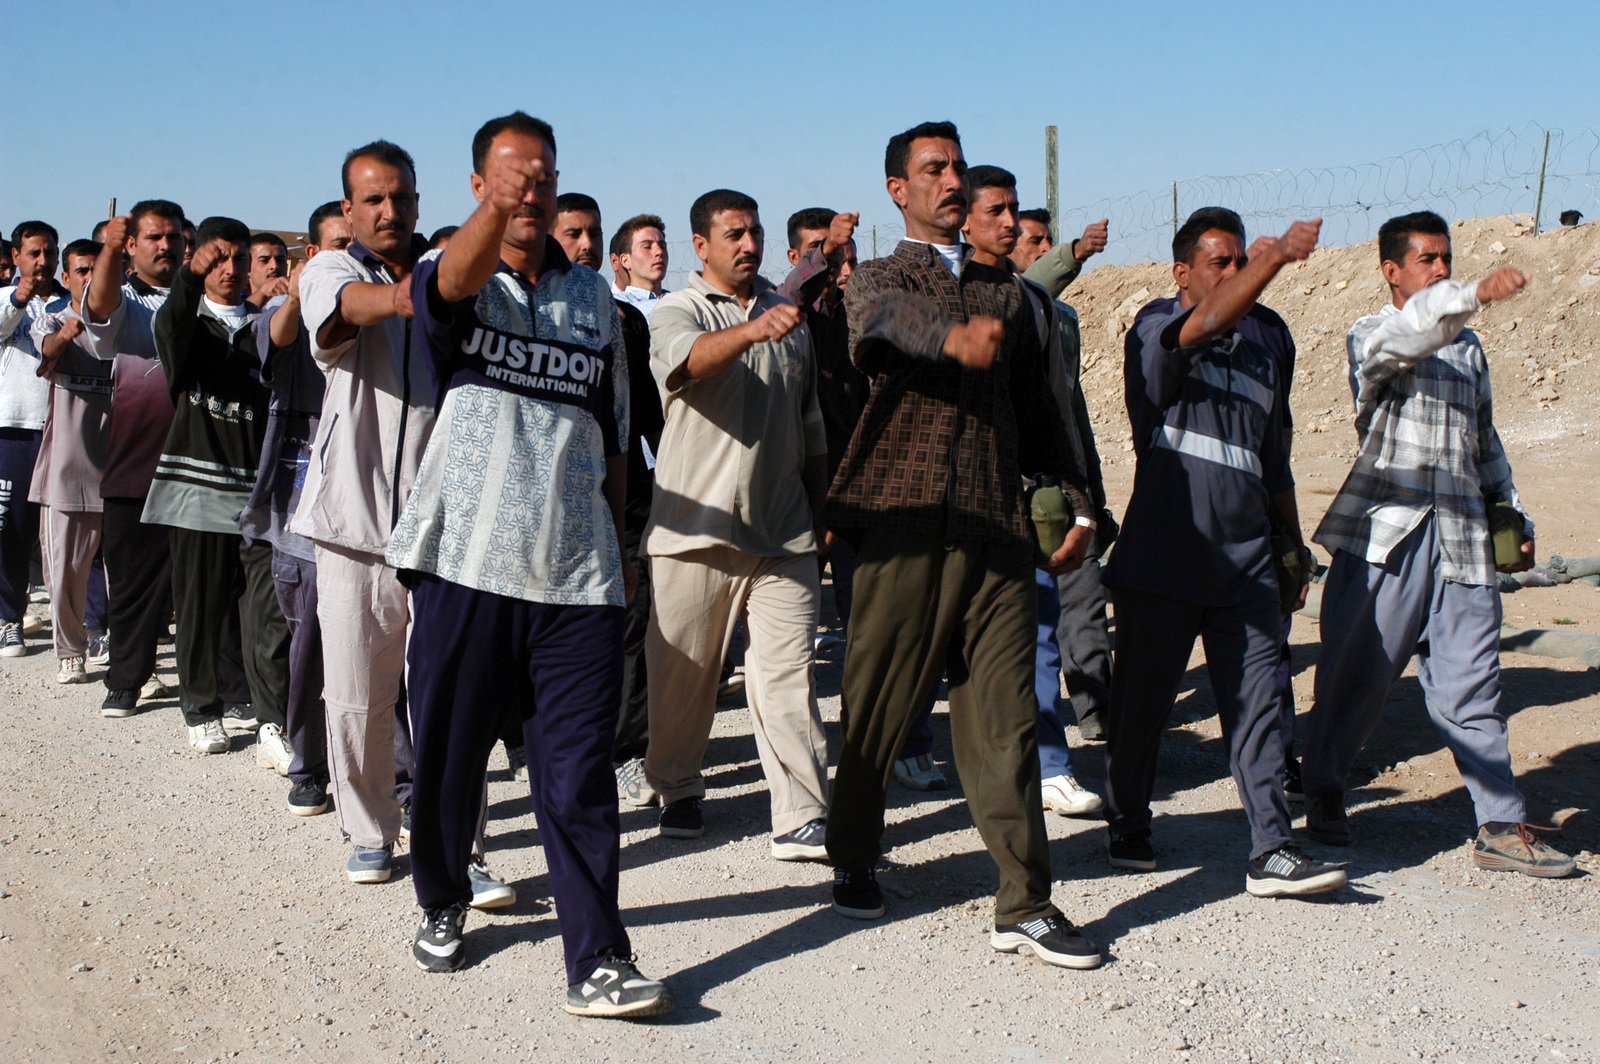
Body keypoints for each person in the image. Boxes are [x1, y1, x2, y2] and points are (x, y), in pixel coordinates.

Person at [387, 111, 672, 1016]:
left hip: (577, 576)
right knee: (447, 757)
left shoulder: (598, 301)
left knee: (579, 774)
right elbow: (448, 286)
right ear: (478, 187)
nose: (530, 190)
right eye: (512, 177)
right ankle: (443, 897)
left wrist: (624, 543)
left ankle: (598, 958)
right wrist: (492, 220)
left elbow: (615, 430)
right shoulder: (453, 278)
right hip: (465, 565)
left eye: (542, 176)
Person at [823, 121, 1101, 971]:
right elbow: (878, 325)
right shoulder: (877, 276)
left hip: (995, 526)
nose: (950, 181)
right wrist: (946, 335)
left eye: (957, 168)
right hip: (902, 520)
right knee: (880, 705)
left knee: (1007, 718)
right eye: (931, 170)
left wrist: (1081, 505)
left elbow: (1040, 412)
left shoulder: (1010, 293)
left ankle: (1025, 898)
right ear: (897, 191)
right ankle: (852, 851)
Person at [1300, 210, 1575, 879]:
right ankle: (1325, 790)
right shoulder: (1372, 335)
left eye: (1448, 259)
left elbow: (1485, 441)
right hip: (1389, 537)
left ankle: (1500, 824)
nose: (1442, 270)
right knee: (1355, 678)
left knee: (1474, 686)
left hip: (1462, 537)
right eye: (1428, 260)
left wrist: (1511, 513)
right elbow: (1413, 333)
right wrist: (1473, 294)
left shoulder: (1470, 349)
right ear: (1392, 271)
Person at [1100, 207, 1345, 899]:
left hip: (1246, 566)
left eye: (1242, 260)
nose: (1235, 272)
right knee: (1142, 705)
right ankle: (1127, 819)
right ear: (1183, 273)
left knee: (1263, 702)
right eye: (1222, 262)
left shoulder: (1270, 337)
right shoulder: (1155, 328)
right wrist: (1273, 261)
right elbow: (1201, 326)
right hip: (1164, 559)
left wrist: (1289, 542)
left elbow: (1275, 452)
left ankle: (1272, 846)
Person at [640, 188, 832, 857]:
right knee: (682, 680)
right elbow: (683, 363)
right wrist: (750, 330)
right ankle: (677, 785)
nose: (747, 245)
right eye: (733, 235)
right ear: (702, 245)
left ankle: (801, 813)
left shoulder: (789, 314)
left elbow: (810, 421)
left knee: (786, 674)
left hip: (783, 529)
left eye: (753, 233)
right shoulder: (676, 310)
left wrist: (820, 503)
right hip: (696, 528)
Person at [290, 141, 437, 886]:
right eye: (373, 199)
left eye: (402, 197)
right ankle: (371, 829)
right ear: (348, 210)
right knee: (355, 694)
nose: (390, 211)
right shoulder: (331, 270)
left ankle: (456, 844)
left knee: (447, 697)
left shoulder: (450, 274)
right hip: (353, 526)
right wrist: (419, 293)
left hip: (444, 531)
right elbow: (345, 315)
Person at [961, 166, 1102, 818]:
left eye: (1039, 234)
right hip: (958, 503)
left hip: (1033, 495)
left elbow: (1061, 412)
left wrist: (1083, 499)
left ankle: (1049, 763)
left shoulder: (1052, 317)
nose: (1027, 238)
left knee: (1045, 628)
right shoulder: (948, 296)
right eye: (1022, 232)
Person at [147, 216, 292, 767]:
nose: (230, 270)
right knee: (200, 605)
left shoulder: (265, 325)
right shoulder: (186, 327)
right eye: (219, 258)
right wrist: (187, 278)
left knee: (261, 609)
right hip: (198, 489)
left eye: (239, 259)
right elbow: (173, 318)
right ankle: (200, 709)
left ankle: (263, 711)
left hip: (260, 493)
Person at [237, 201, 349, 816]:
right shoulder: (285, 317)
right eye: (336, 247)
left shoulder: (378, 311)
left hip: (371, 518)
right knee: (308, 651)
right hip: (300, 521)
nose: (349, 260)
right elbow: (275, 338)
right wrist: (304, 294)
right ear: (312, 255)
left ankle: (400, 778)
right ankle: (309, 765)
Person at [552, 192, 664, 805]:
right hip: (552, 493)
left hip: (622, 491)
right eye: (574, 233)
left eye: (592, 233)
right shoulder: (528, 310)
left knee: (630, 622)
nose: (586, 245)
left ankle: (626, 750)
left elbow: (641, 413)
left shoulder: (625, 319)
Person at [1010, 208, 1115, 742]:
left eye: (1048, 241)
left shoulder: (1065, 320)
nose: (1042, 248)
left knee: (1083, 592)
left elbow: (1074, 412)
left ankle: (1096, 705)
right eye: (1034, 242)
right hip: (1012, 491)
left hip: (1065, 483)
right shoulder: (996, 310)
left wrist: (1092, 494)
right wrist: (1072, 252)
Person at [79, 201, 186, 714]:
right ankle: (125, 679)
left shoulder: (204, 298)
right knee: (130, 586)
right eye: (153, 238)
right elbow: (97, 310)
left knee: (202, 588)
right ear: (132, 246)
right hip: (135, 467)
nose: (165, 246)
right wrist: (107, 251)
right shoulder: (124, 300)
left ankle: (216, 692)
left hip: (202, 469)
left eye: (173, 237)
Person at [29, 239, 114, 683]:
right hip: (67, 470)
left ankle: (124, 651)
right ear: (66, 277)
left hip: (122, 469)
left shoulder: (127, 325)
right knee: (64, 572)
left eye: (96, 270)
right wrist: (66, 334)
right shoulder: (52, 317)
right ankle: (70, 650)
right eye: (81, 270)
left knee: (127, 573)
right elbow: (47, 349)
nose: (88, 278)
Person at [0, 222, 64, 658]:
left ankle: (81, 625)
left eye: (49, 253)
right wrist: (19, 296)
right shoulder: (5, 299)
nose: (43, 262)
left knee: (68, 534)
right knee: (11, 528)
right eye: (34, 253)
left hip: (64, 431)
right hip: (14, 428)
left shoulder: (70, 301)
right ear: (18, 256)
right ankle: (8, 617)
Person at [609, 214, 669, 317]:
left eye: (662, 246)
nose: (659, 251)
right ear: (625, 260)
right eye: (647, 247)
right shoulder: (615, 308)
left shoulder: (682, 301)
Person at [247, 233, 290, 304]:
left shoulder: (299, 304)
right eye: (264, 260)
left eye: (280, 260)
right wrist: (262, 292)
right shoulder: (231, 301)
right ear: (247, 266)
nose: (274, 266)